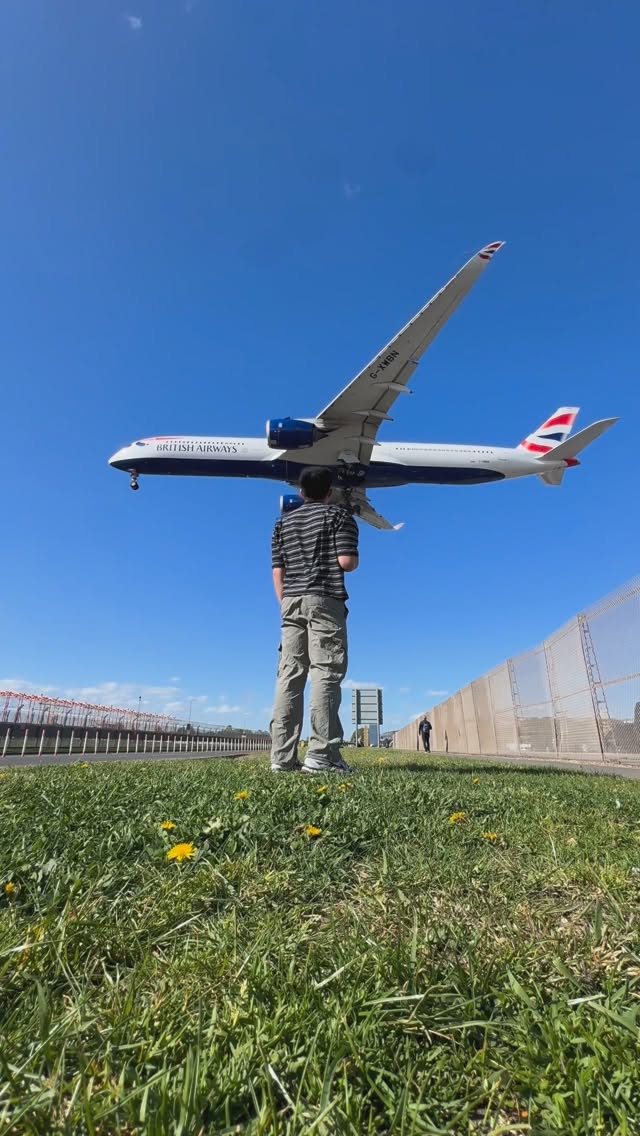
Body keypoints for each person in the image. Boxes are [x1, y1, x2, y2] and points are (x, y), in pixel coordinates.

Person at [270, 466, 359, 773]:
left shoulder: (282, 523)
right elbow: (347, 563)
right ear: (330, 492)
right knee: (325, 671)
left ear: (301, 492)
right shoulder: (338, 516)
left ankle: (281, 758)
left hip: (290, 602)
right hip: (324, 598)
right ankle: (322, 755)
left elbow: (277, 570)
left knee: (290, 675)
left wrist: (285, 603)